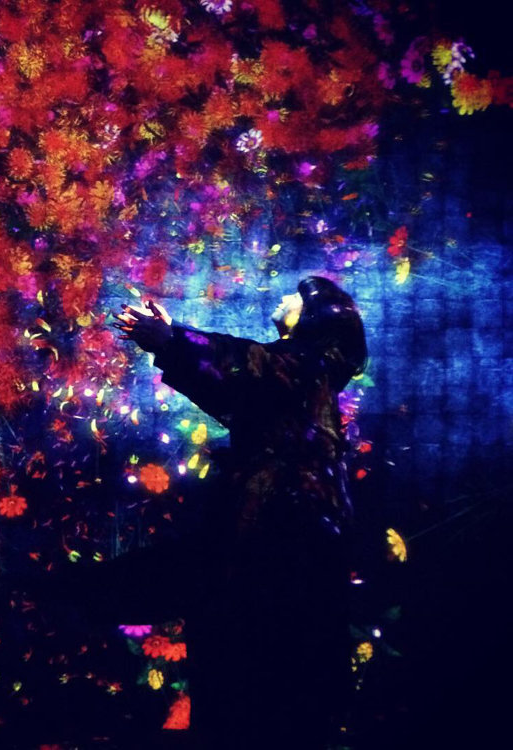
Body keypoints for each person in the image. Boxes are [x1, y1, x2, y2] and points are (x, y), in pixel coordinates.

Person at [112, 276, 367, 748]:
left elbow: (247, 367)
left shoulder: (307, 368)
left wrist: (172, 340)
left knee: (266, 667)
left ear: (315, 318)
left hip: (288, 536)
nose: (285, 297)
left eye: (298, 297)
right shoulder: (295, 373)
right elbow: (234, 385)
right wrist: (172, 344)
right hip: (273, 532)